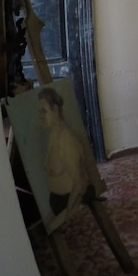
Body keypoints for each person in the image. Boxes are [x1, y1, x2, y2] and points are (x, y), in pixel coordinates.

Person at [37, 86, 91, 221]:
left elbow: (80, 184)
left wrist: (66, 216)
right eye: (40, 112)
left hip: (71, 203)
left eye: (44, 111)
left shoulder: (66, 140)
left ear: (55, 110)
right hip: (59, 203)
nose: (41, 116)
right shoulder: (53, 135)